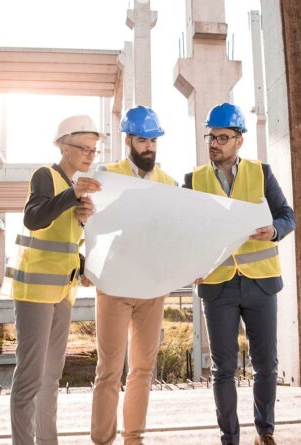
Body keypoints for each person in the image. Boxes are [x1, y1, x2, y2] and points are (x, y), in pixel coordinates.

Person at [183, 103, 296, 445]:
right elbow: (184, 231)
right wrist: (191, 266)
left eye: (222, 137)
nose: (214, 143)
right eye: (211, 136)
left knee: (266, 364)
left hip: (260, 282)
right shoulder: (193, 180)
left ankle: (265, 432)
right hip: (218, 286)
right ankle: (229, 438)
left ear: (239, 140)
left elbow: (287, 216)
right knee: (224, 370)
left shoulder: (261, 173)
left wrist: (273, 231)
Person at [8, 115, 102, 445]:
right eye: (83, 147)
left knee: (50, 378)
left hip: (63, 292)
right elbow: (34, 218)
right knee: (30, 378)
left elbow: (65, 245)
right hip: (35, 290)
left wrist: (85, 265)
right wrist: (71, 197)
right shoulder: (45, 175)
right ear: (63, 145)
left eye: (94, 149)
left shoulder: (75, 190)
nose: (90, 154)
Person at [90, 106, 178, 445]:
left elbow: (175, 233)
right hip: (114, 286)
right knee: (109, 369)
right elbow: (91, 227)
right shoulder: (106, 175)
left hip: (152, 287)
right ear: (129, 140)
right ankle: (102, 440)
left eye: (154, 141)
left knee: (142, 369)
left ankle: (134, 439)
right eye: (143, 140)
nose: (150, 148)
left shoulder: (168, 183)